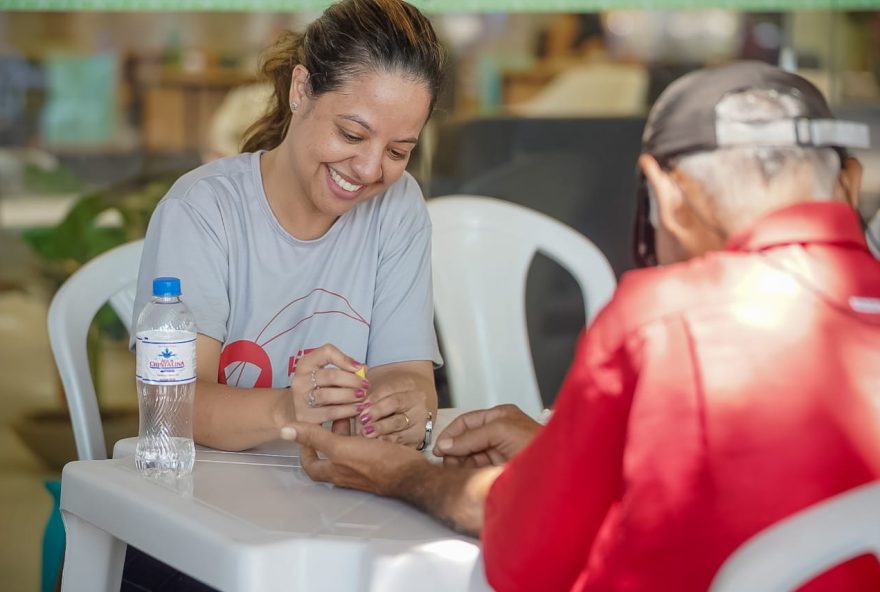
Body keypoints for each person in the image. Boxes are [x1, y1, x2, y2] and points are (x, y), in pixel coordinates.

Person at [282, 61, 880, 591]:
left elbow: (522, 562)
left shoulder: (662, 321)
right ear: (848, 183)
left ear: (667, 194)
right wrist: (552, 454)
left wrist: (398, 473)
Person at [133, 0, 445, 455]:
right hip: (211, 496)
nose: (369, 168)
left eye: (398, 152)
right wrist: (287, 410)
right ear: (301, 89)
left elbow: (410, 378)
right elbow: (169, 400)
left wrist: (405, 409)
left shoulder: (398, 207)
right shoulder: (203, 209)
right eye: (352, 135)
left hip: (340, 494)